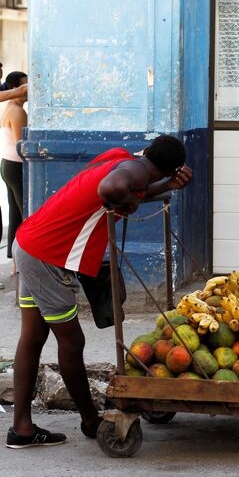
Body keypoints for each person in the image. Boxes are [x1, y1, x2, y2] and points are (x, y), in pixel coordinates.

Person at [7, 136, 192, 449]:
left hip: (30, 242)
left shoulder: (120, 158)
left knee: (34, 337)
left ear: (147, 152)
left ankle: (22, 429)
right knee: (72, 341)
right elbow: (112, 189)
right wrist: (127, 202)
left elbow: (127, 187)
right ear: (165, 169)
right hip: (48, 256)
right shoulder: (132, 173)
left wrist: (166, 187)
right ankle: (91, 421)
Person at [1, 71, 27, 263]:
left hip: (7, 164)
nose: (29, 91)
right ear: (14, 89)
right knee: (24, 214)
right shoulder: (18, 111)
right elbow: (21, 146)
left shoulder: (10, 107)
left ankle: (14, 257)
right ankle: (24, 259)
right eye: (25, 87)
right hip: (16, 165)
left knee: (15, 213)